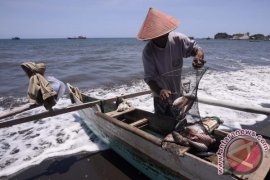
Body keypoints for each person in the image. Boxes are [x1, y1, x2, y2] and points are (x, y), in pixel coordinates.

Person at [137, 8, 205, 118]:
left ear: (167, 31)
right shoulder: (148, 52)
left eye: (163, 34)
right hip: (160, 95)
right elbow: (149, 78)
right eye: (155, 37)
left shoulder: (178, 39)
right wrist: (160, 91)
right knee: (163, 123)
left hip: (178, 92)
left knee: (178, 120)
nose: (160, 38)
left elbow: (197, 49)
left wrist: (198, 58)